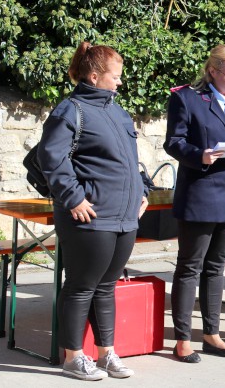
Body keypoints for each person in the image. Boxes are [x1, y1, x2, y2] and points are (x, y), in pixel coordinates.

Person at [38, 42, 148, 380]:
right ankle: (73, 357)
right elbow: (51, 158)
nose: (119, 83)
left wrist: (143, 189)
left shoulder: (117, 111)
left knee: (107, 286)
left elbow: (130, 160)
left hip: (125, 214)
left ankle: (106, 354)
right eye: (115, 77)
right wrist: (73, 198)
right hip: (89, 216)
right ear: (95, 75)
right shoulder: (70, 110)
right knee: (81, 286)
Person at [164, 44, 225, 363]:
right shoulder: (186, 98)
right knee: (190, 266)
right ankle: (182, 338)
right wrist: (199, 155)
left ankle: (212, 334)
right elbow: (174, 142)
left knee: (216, 267)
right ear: (212, 72)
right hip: (201, 194)